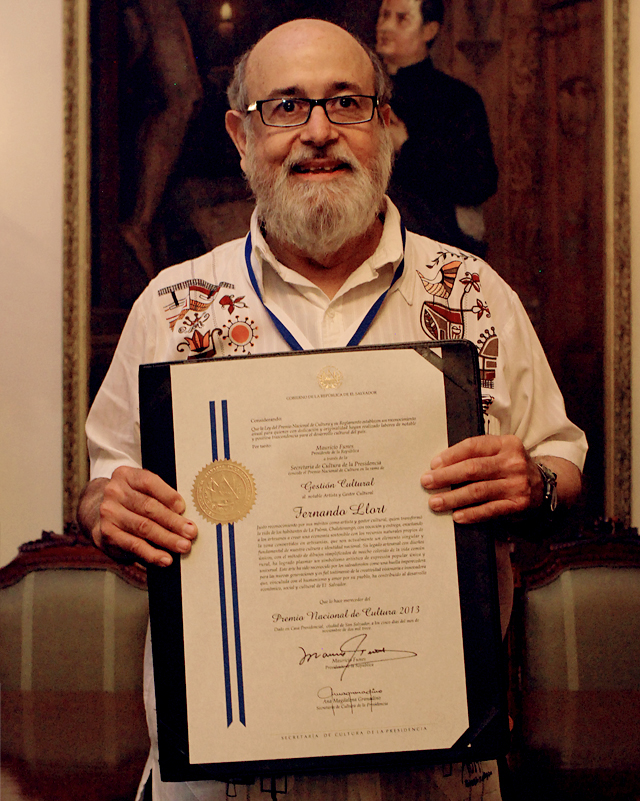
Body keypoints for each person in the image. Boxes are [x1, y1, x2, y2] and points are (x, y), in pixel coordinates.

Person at [77, 18, 586, 801]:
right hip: (224, 775)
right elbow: (106, 484)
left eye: (345, 102)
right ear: (239, 134)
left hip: (433, 772)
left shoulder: (474, 294)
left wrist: (537, 483)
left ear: (387, 124)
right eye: (285, 106)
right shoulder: (173, 306)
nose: (317, 132)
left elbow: (559, 459)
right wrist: (104, 506)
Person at [376, 0, 498, 254]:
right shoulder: (363, 92)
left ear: (429, 31)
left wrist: (407, 147)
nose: (385, 26)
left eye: (401, 19)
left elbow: (479, 183)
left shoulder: (458, 99)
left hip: (434, 247)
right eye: (384, 15)